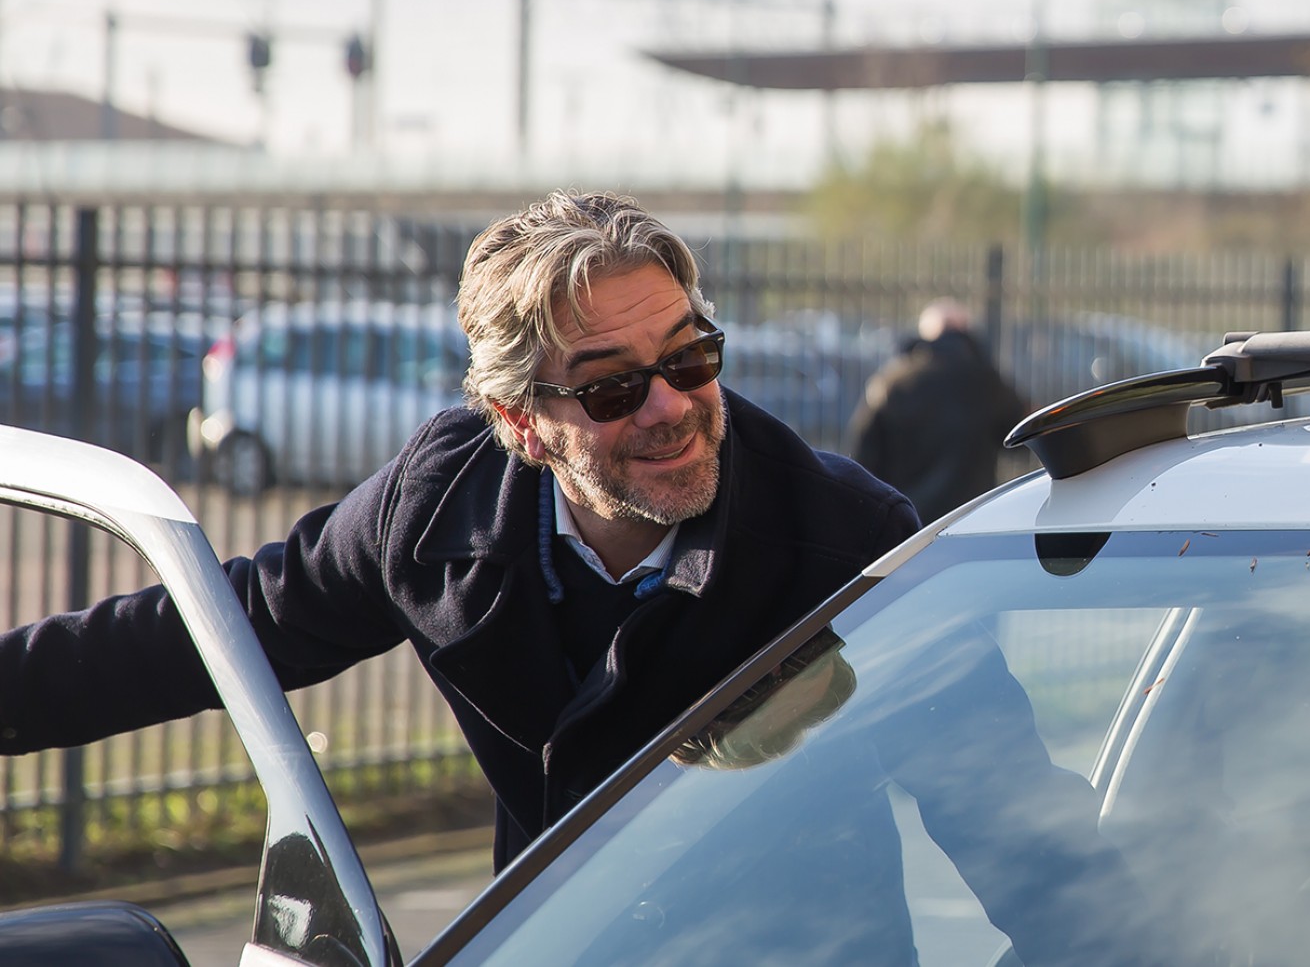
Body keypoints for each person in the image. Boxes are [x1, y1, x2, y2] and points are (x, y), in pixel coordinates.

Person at [0, 191, 921, 867]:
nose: (672, 406)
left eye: (690, 356)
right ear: (517, 422)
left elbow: (981, 791)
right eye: (612, 387)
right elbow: (222, 632)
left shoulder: (848, 542)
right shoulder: (442, 503)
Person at [844, 299, 1029, 519]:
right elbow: (1024, 436)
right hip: (970, 517)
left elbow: (863, 457)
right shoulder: (987, 381)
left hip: (908, 521)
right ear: (966, 333)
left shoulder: (892, 382)